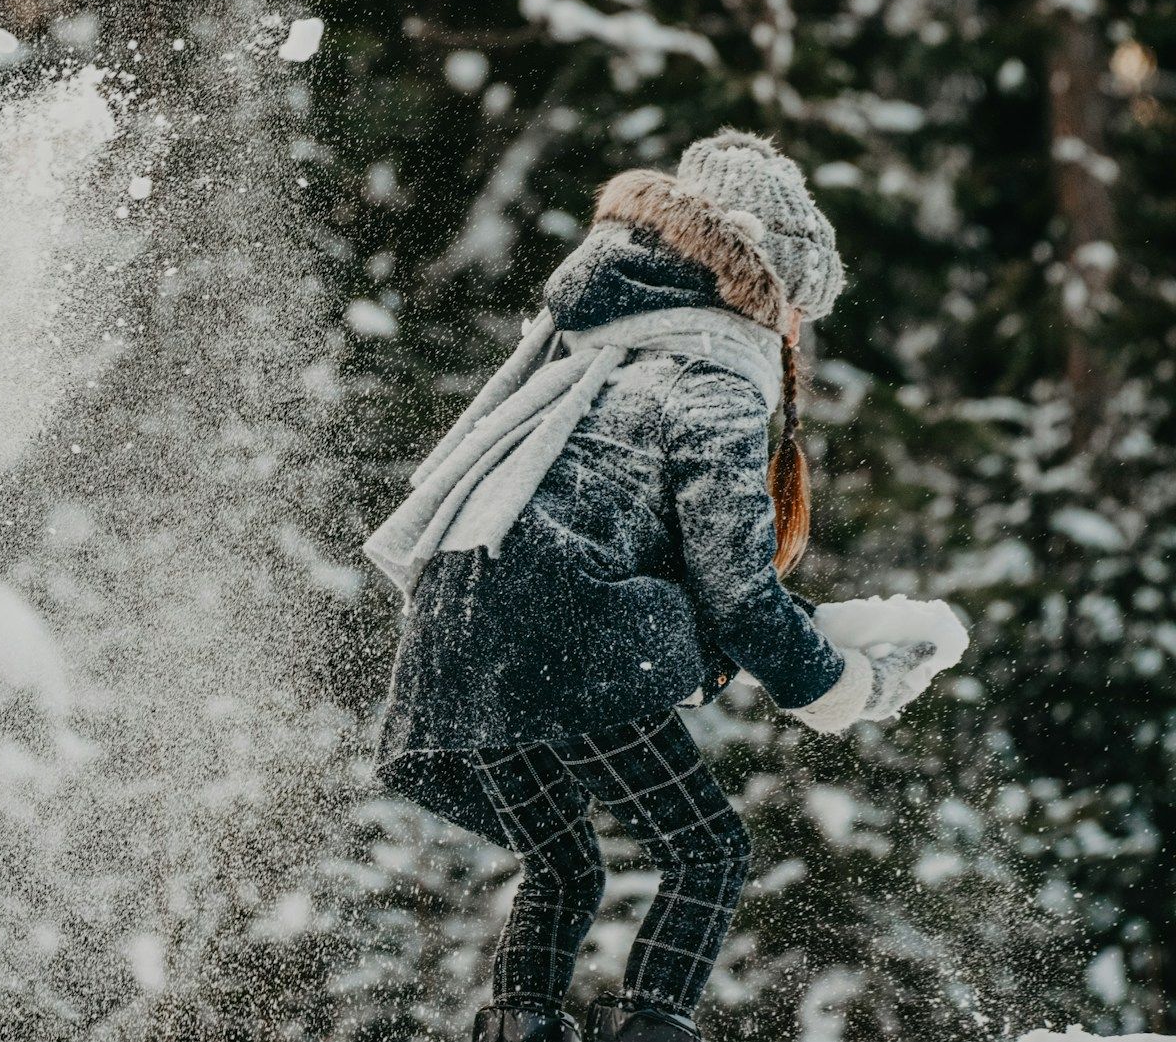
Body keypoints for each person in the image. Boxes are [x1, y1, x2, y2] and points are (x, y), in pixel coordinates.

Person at [363, 131, 941, 1042]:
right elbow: (737, 586)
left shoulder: (606, 343)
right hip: (565, 627)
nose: (798, 334)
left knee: (562, 862)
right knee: (708, 850)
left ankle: (520, 1029)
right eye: (801, 309)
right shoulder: (711, 372)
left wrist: (814, 642)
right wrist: (838, 684)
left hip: (458, 629)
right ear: (768, 286)